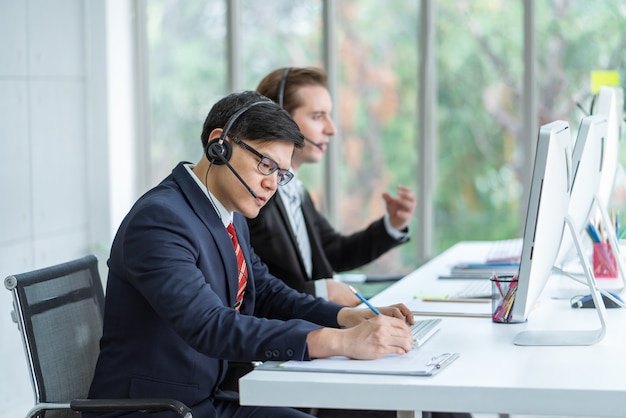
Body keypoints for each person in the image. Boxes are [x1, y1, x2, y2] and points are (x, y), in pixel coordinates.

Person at [87, 91, 415, 418]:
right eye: (266, 164)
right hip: (154, 410)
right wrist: (340, 342)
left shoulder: (230, 215)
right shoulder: (160, 220)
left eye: (281, 174)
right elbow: (208, 324)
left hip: (209, 399)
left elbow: (269, 292)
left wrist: (346, 317)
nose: (272, 184)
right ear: (220, 145)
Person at [251, 66, 416, 307]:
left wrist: (393, 226)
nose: (332, 129)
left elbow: (333, 252)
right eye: (318, 116)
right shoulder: (254, 194)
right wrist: (319, 291)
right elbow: (250, 288)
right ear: (280, 118)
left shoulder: (295, 190)